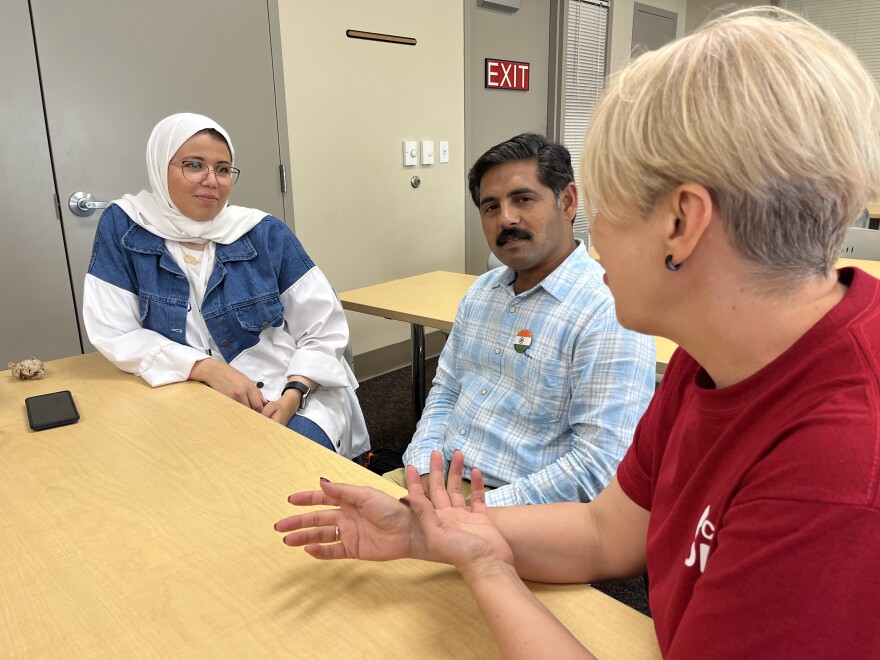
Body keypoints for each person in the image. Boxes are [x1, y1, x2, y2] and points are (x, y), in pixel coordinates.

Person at [276, 7, 880, 657]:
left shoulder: (837, 467)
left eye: (603, 206)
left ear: (682, 223)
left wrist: (486, 566)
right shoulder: (713, 357)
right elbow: (606, 531)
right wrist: (429, 534)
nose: (595, 243)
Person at [383, 134, 655, 506]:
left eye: (523, 199)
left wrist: (474, 514)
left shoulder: (607, 309)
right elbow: (446, 391)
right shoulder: (482, 292)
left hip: (520, 509)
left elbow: (598, 468)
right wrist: (424, 472)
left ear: (568, 202)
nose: (506, 218)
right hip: (437, 484)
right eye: (490, 207)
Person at [84, 113, 369, 459]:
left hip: (288, 387)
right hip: (182, 386)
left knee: (287, 466)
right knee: (184, 481)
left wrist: (293, 396)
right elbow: (115, 330)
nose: (211, 181)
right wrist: (207, 368)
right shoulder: (126, 226)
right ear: (161, 167)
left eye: (222, 169)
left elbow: (324, 328)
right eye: (194, 165)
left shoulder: (263, 232)